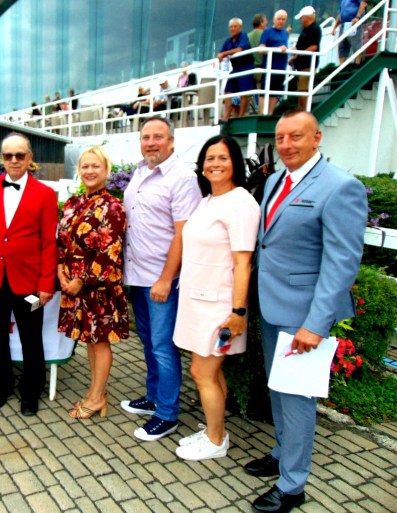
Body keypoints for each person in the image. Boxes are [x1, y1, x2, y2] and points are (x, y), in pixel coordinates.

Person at [245, 110, 367, 513]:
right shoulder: (276, 180)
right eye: (280, 138)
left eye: (296, 136)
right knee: (278, 390)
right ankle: (282, 454)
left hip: (304, 316)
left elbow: (341, 263)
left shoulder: (340, 187)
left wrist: (316, 324)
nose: (286, 145)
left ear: (317, 138)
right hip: (272, 306)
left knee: (297, 399)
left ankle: (293, 485)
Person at [173, 136, 260, 460]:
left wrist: (238, 312)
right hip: (197, 301)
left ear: (235, 163)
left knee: (202, 372)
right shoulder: (208, 200)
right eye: (209, 158)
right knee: (212, 371)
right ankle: (216, 430)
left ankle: (215, 441)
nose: (215, 164)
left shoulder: (241, 203)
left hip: (219, 306)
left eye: (223, 158)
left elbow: (243, 263)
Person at [121, 117, 201, 441]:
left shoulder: (182, 178)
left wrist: (167, 278)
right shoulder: (140, 172)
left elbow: (183, 233)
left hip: (161, 280)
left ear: (171, 141)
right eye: (146, 137)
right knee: (148, 340)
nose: (151, 142)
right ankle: (154, 397)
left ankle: (167, 414)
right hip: (137, 276)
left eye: (158, 137)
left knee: (163, 346)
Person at [0, 132, 58, 416]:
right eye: (8, 155)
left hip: (31, 285)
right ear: (1, 158)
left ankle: (31, 392)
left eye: (19, 155)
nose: (13, 160)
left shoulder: (45, 194)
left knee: (31, 339)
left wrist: (46, 284)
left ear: (29, 158)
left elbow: (49, 243)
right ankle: (0, 387)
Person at [57, 146, 129, 419]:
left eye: (95, 166)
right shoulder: (73, 203)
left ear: (106, 170)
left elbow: (109, 253)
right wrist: (60, 271)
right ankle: (96, 392)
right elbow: (62, 242)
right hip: (73, 285)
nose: (89, 171)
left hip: (98, 287)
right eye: (85, 166)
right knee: (89, 340)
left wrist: (80, 280)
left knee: (99, 343)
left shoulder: (113, 206)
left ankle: (97, 397)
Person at [217, 18, 254, 120]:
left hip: (246, 67)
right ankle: (226, 116)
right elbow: (220, 52)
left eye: (235, 26)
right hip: (236, 68)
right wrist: (220, 55)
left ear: (240, 28)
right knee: (228, 90)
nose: (233, 29)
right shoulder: (228, 41)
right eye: (231, 27)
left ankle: (241, 116)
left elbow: (239, 49)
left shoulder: (243, 36)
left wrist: (224, 54)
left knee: (244, 92)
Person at [289, 7, 322, 110]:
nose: (301, 20)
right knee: (301, 89)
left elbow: (314, 47)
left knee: (303, 89)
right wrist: (294, 56)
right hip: (301, 65)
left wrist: (298, 54)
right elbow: (298, 46)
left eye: (302, 18)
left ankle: (304, 110)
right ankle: (301, 109)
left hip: (308, 64)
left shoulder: (315, 29)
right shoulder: (305, 30)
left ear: (307, 17)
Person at [259, 10, 290, 115]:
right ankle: (262, 114)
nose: (281, 21)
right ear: (274, 20)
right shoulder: (267, 32)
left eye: (283, 19)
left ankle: (270, 113)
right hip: (269, 67)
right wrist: (277, 49)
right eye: (279, 19)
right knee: (265, 91)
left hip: (281, 68)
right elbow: (261, 49)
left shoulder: (285, 33)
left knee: (276, 92)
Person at [248, 14, 268, 110]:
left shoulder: (248, 36)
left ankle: (253, 108)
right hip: (261, 67)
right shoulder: (265, 35)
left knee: (250, 91)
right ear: (261, 23)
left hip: (250, 67)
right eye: (265, 20)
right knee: (262, 91)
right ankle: (261, 109)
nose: (267, 22)